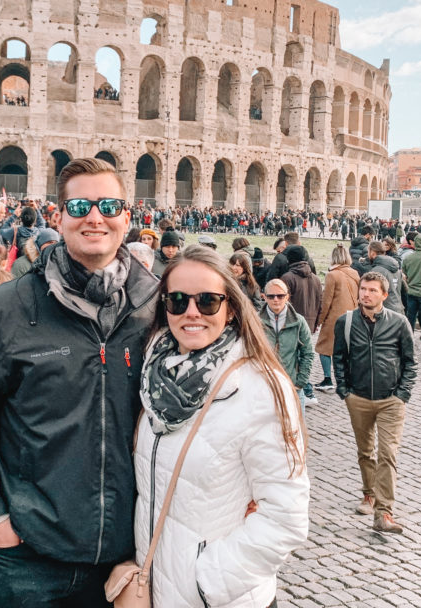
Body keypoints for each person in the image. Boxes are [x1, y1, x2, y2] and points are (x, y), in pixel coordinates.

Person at [0, 157, 160, 606]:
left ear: (127, 217)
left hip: (126, 558)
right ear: (58, 216)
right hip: (28, 558)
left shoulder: (157, 310)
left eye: (109, 205)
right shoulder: (5, 310)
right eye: (79, 206)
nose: (95, 217)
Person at [134, 245, 309, 607]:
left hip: (217, 597)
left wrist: (206, 582)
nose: (191, 312)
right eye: (178, 300)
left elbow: (284, 517)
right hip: (156, 589)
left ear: (230, 308)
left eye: (208, 301)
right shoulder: (152, 374)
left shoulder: (260, 387)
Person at [333, 271, 416, 534]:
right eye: (363, 289)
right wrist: (345, 390)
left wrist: (401, 394)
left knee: (387, 454)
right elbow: (339, 358)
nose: (365, 294)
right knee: (365, 452)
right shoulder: (345, 322)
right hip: (357, 397)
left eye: (372, 290)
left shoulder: (399, 322)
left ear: (384, 295)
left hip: (390, 399)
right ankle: (368, 494)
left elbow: (410, 362)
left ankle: (384, 513)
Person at [260, 278, 314, 414]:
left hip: (291, 385)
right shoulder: (255, 321)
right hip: (263, 387)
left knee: (296, 429)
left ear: (287, 297)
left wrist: (300, 381)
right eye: (271, 296)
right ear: (264, 297)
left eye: (280, 296)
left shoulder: (298, 321)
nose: (276, 299)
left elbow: (308, 352)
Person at [315, 244, 359, 392]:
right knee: (346, 349)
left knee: (324, 348)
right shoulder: (355, 273)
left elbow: (326, 301)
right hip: (352, 315)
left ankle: (328, 379)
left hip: (334, 316)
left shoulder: (332, 275)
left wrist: (320, 320)